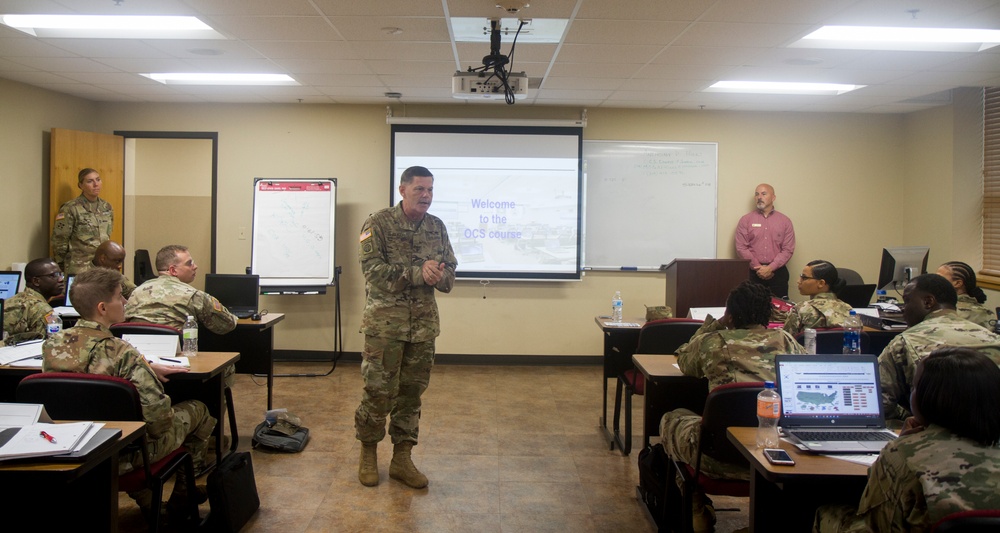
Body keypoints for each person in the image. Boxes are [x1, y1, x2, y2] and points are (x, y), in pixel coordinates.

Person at [42, 268, 215, 518]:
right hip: (121, 454)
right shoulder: (122, 352)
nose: (125, 301)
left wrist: (142, 365)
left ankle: (148, 503)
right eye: (118, 297)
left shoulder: (51, 344)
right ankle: (182, 498)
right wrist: (141, 368)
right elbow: (158, 422)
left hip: (69, 447)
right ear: (103, 307)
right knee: (198, 410)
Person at [660, 280, 806, 531]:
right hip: (779, 456)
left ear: (730, 313)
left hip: (719, 458)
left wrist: (714, 325)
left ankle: (696, 506)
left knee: (671, 419)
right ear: (768, 313)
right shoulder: (786, 340)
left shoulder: (713, 342)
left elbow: (684, 360)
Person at [813, 347, 1000, 533]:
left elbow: (877, 523)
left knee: (828, 514)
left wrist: (896, 452)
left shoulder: (905, 455)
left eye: (914, 387)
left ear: (929, 397)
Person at [355, 165, 457, 489]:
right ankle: (368, 452)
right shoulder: (378, 223)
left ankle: (402, 458)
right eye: (419, 190)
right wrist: (417, 272)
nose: (426, 196)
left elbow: (451, 272)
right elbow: (373, 271)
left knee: (411, 396)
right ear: (402, 190)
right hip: (385, 327)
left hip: (423, 329)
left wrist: (440, 276)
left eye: (430, 190)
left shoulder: (437, 227)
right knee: (378, 392)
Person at [878, 274, 999, 420]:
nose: (903, 309)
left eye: (907, 301)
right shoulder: (992, 337)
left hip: (934, 430)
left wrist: (908, 416)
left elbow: (881, 404)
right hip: (990, 432)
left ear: (928, 302)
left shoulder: (904, 341)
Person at [125, 244, 237, 334]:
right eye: (189, 263)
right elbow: (227, 324)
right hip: (177, 357)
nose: (195, 266)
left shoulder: (136, 292)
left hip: (138, 357)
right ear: (173, 270)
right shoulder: (193, 295)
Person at [735, 183, 796, 298]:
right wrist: (758, 267)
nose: (759, 197)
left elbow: (788, 249)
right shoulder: (746, 220)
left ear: (773, 198)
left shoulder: (785, 221)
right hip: (752, 273)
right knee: (751, 309)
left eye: (763, 194)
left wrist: (770, 268)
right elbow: (741, 247)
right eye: (757, 194)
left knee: (779, 311)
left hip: (777, 273)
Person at [51, 167, 113, 275]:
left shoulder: (106, 207)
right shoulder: (70, 208)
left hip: (102, 266)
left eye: (98, 180)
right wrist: (60, 266)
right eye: (90, 181)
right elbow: (60, 240)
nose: (96, 184)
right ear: (81, 185)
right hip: (79, 267)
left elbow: (107, 235)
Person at [2, 258, 64, 345]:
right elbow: (46, 346)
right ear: (36, 281)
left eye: (61, 274)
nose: (61, 279)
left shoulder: (12, 299)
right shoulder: (41, 309)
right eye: (54, 275)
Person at [783, 260, 853, 335]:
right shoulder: (848, 309)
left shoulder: (800, 309)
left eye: (804, 278)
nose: (798, 281)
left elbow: (786, 341)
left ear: (821, 283)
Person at [936, 260, 995, 329]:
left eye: (940, 278)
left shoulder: (947, 311)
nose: (935, 281)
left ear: (957, 283)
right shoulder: (986, 312)